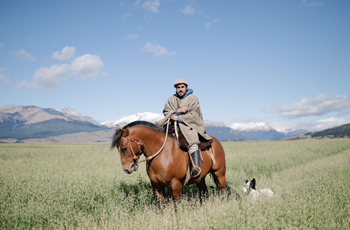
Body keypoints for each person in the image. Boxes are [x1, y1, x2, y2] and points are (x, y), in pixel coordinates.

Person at [161, 78, 212, 182]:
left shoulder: (193, 99)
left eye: (182, 87)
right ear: (176, 89)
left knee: (192, 140)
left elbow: (195, 115)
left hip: (189, 126)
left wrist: (179, 118)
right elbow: (166, 111)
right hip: (172, 126)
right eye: (178, 87)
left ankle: (196, 168)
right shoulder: (171, 99)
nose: (180, 89)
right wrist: (177, 111)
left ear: (186, 87)